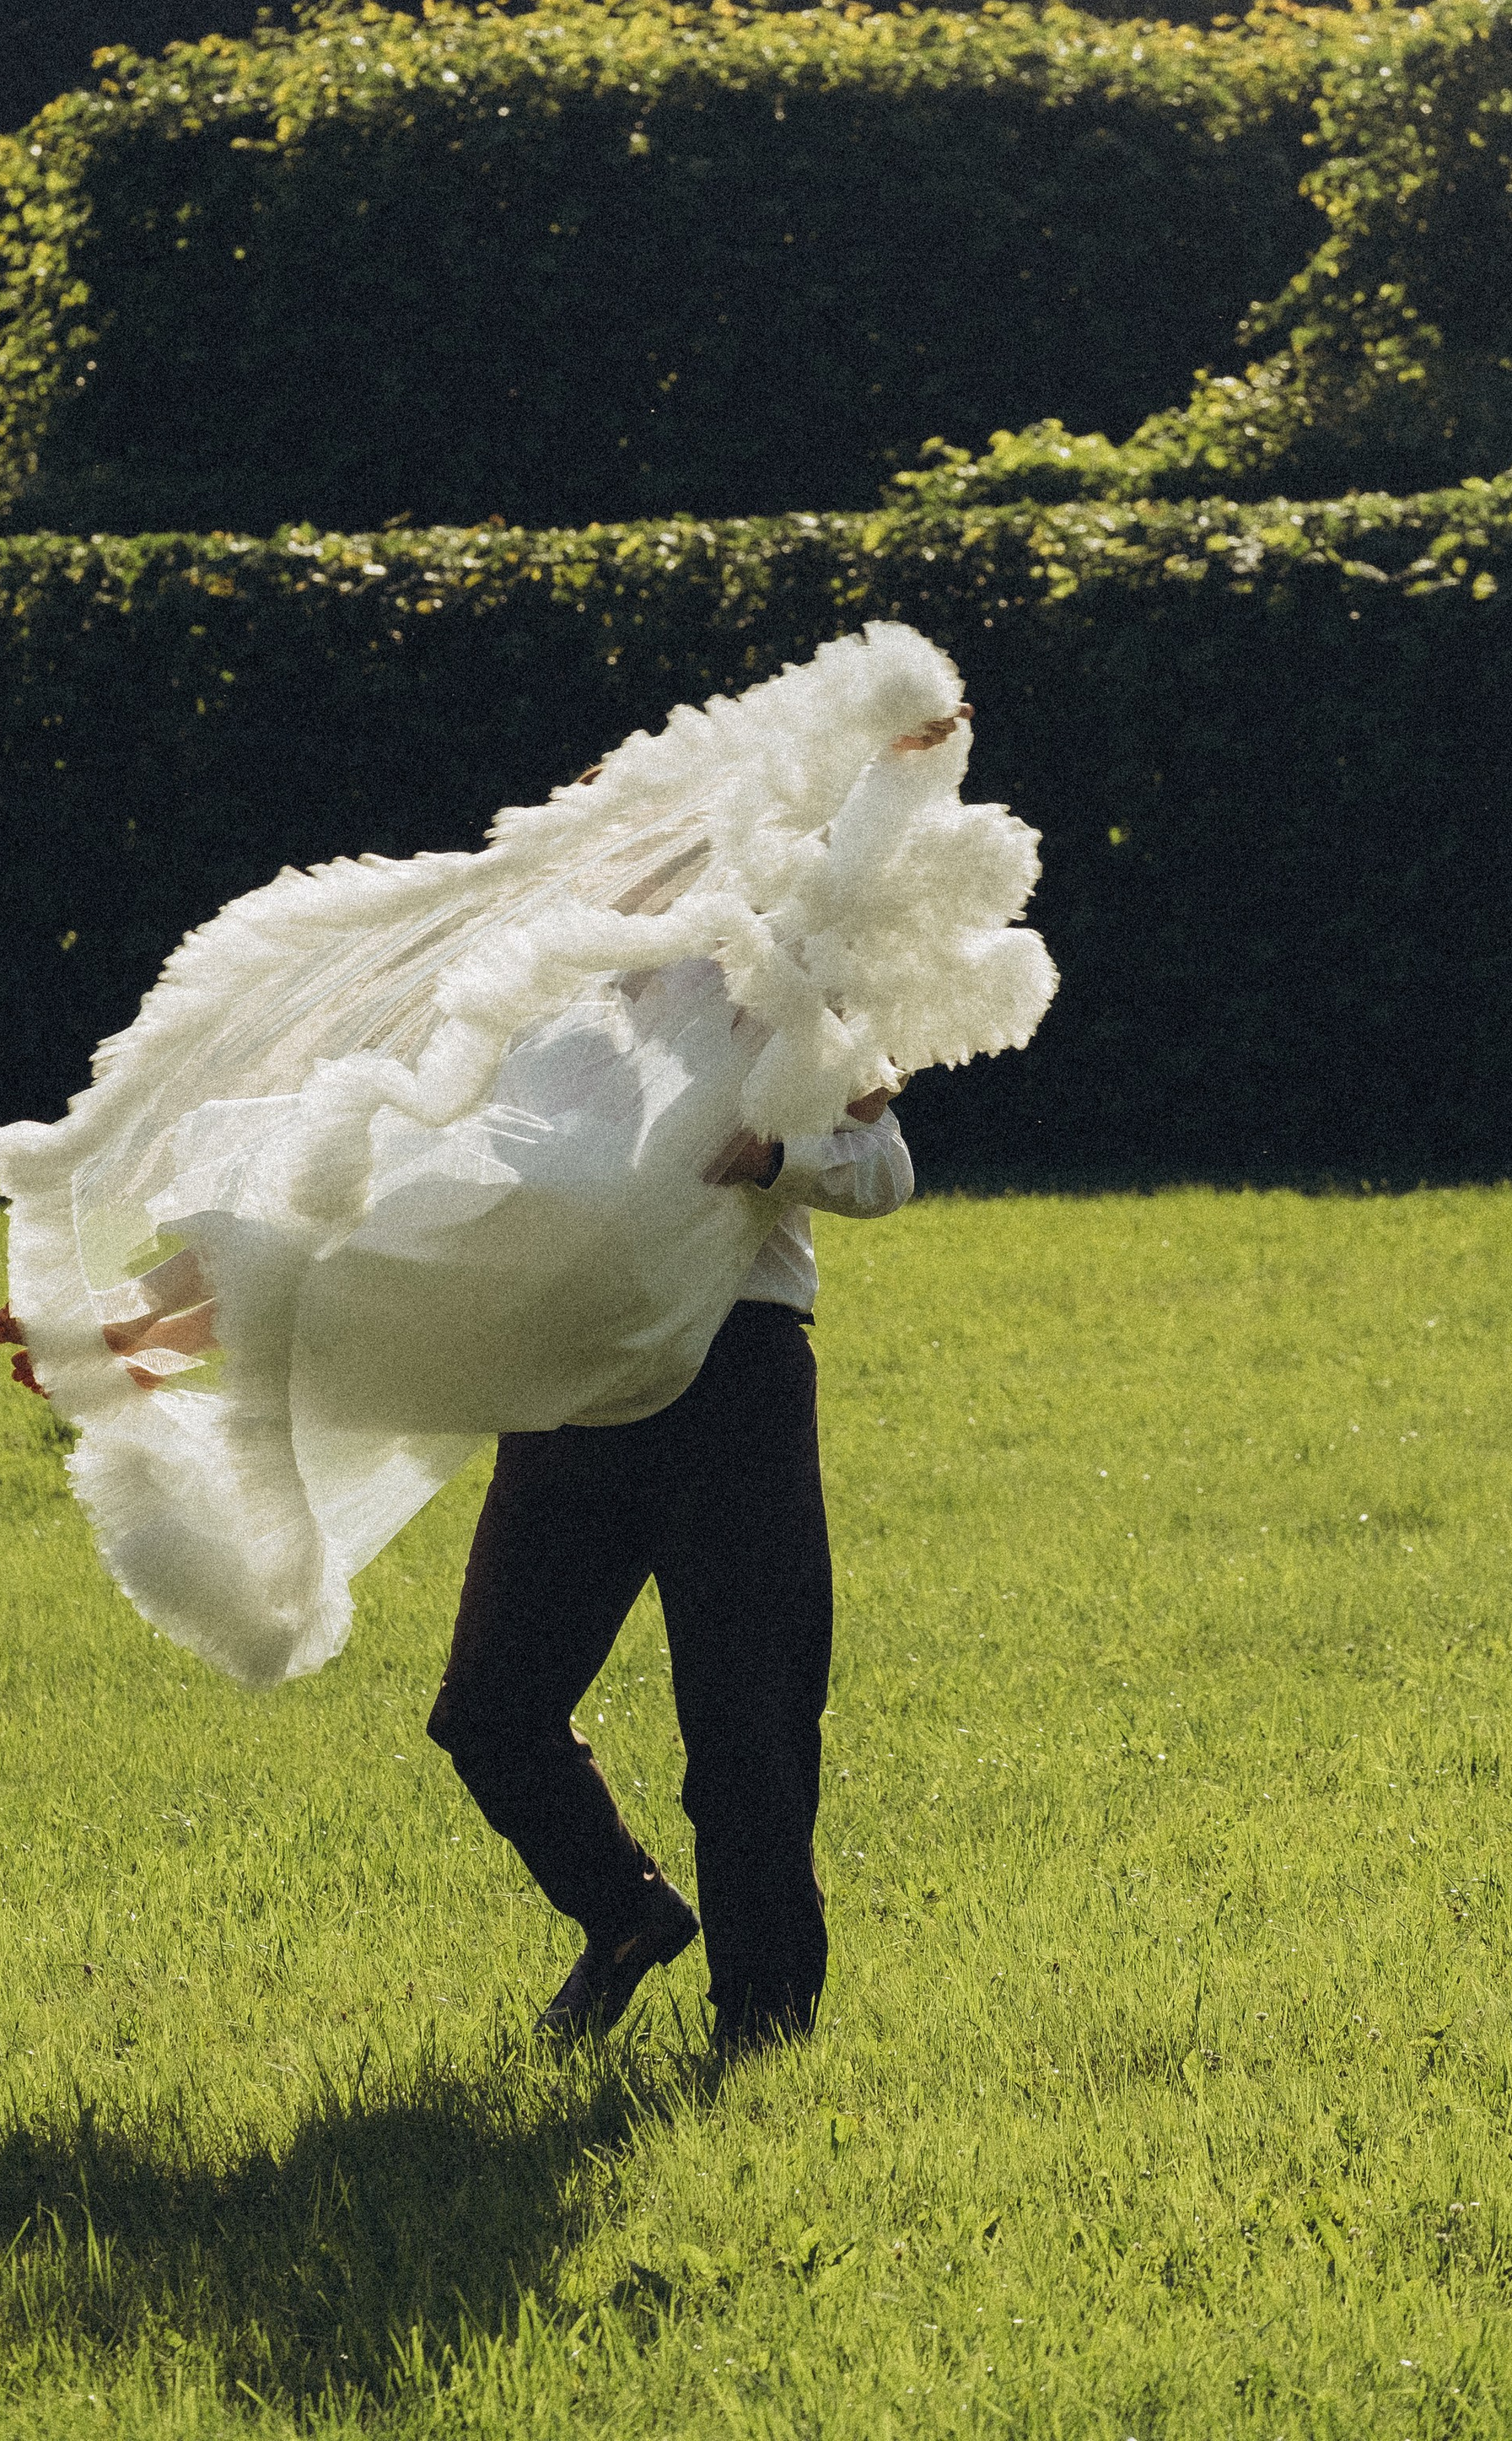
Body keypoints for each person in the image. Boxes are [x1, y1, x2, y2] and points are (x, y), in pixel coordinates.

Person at [423, 706, 962, 2057]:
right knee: (490, 1709)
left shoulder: (773, 986)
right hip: (572, 1395)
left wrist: (778, 1155)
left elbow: (887, 1174)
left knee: (749, 1729)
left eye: (641, 833)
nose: (616, 861)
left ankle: (765, 2030)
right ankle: (626, 1917)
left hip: (734, 1388)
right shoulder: (543, 1014)